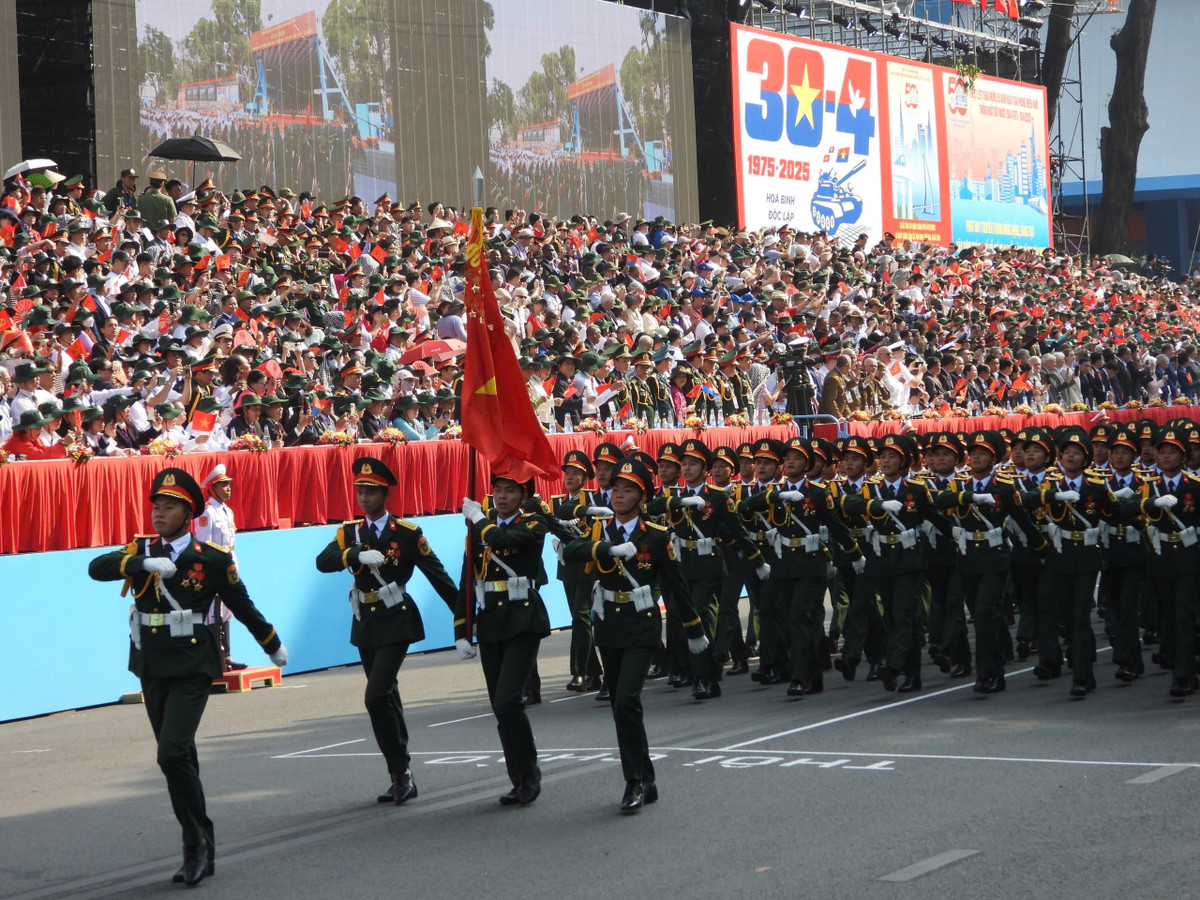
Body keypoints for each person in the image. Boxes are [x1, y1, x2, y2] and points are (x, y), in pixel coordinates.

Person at [87, 468, 286, 887]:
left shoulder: (210, 559)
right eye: (156, 505)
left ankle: (194, 846)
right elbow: (97, 567)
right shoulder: (140, 549)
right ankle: (201, 843)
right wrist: (140, 561)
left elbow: (242, 603)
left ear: (189, 512)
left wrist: (270, 642)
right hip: (152, 664)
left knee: (172, 753)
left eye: (169, 506)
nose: (159, 513)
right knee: (179, 757)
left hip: (193, 665)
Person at [563, 457, 710, 812]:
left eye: (628, 490)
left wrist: (694, 629)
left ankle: (634, 782)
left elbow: (677, 584)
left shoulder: (656, 537)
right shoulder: (600, 531)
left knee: (627, 700)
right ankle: (646, 776)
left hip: (641, 625)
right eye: (615, 489)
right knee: (620, 707)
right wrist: (605, 549)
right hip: (609, 627)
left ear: (641, 498)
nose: (618, 495)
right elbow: (571, 551)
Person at [315, 456, 460, 804]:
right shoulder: (349, 533)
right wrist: (352, 556)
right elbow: (322, 562)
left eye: (371, 491)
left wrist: (464, 623)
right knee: (387, 696)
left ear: (385, 494)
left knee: (376, 695)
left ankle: (401, 770)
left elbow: (438, 577)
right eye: (360, 491)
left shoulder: (407, 534)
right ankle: (401, 774)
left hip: (396, 618)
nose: (363, 498)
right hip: (365, 621)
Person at [456, 474, 551, 806]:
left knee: (509, 700)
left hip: (524, 619)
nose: (502, 496)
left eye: (510, 490)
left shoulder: (533, 523)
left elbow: (504, 539)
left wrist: (479, 520)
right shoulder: (480, 529)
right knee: (500, 706)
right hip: (492, 622)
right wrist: (462, 630)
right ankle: (518, 779)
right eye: (497, 489)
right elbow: (468, 578)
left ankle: (529, 773)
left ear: (523, 494)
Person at [192, 464, 244, 670]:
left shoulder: (227, 511)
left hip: (230, 559)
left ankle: (227, 655)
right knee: (214, 610)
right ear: (212, 489)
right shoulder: (207, 513)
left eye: (229, 484)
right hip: (215, 564)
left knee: (228, 608)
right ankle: (216, 657)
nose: (228, 488)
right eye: (223, 485)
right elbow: (203, 545)